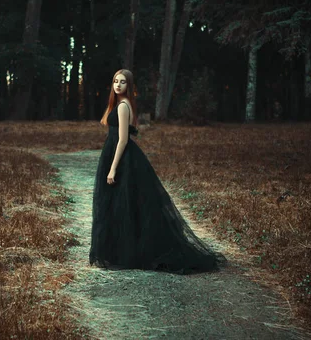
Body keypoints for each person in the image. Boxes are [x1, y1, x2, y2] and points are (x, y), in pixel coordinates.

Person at [89, 69, 220, 274]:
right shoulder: (117, 105)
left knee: (126, 203)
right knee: (119, 204)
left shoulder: (124, 107)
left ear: (129, 86)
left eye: (122, 82)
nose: (118, 85)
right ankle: (120, 251)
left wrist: (113, 168)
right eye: (115, 81)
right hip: (115, 155)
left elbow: (123, 139)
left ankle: (129, 252)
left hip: (123, 159)